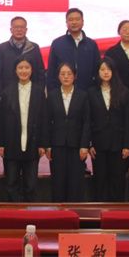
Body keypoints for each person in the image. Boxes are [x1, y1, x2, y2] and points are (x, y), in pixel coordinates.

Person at [0, 58, 47, 202]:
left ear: (32, 70)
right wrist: (1, 143)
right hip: (11, 143)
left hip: (32, 143)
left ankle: (29, 213)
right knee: (11, 183)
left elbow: (43, 119)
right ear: (15, 70)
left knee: (31, 185)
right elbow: (1, 120)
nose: (23, 71)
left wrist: (43, 144)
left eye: (27, 67)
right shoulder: (7, 92)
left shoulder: (39, 92)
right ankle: (14, 213)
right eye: (20, 67)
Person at [88, 57, 129, 202]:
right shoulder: (91, 92)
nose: (106, 72)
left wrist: (127, 144)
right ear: (98, 72)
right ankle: (100, 211)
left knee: (117, 180)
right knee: (100, 179)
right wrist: (89, 143)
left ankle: (116, 211)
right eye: (102, 69)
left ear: (113, 71)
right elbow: (88, 120)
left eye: (108, 69)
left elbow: (128, 120)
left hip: (118, 144)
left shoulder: (123, 91)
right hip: (98, 144)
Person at [46, 63, 90, 202]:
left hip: (76, 146)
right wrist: (48, 145)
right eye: (63, 74)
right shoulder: (52, 95)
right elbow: (47, 122)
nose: (66, 77)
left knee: (75, 182)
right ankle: (59, 213)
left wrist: (84, 145)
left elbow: (87, 122)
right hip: (57, 144)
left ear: (75, 76)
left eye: (69, 74)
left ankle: (75, 212)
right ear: (58, 76)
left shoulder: (83, 95)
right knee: (58, 181)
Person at [46, 8, 101, 91]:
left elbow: (97, 70)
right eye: (71, 20)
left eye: (77, 19)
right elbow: (51, 72)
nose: (74, 22)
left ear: (83, 22)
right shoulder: (57, 43)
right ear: (66, 22)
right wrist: (52, 92)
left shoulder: (91, 44)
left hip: (87, 91)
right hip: (62, 92)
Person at [0, 16, 45, 86]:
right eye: (16, 27)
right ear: (11, 30)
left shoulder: (34, 47)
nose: (19, 30)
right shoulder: (2, 48)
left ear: (26, 30)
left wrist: (39, 89)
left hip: (30, 89)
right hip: (7, 90)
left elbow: (40, 72)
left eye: (22, 27)